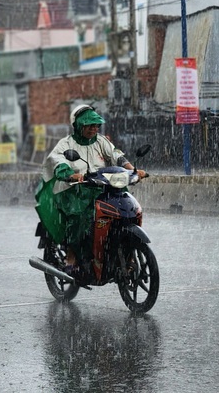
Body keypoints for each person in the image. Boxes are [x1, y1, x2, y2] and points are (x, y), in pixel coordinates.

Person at [35, 104, 147, 275]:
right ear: (78, 126)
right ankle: (72, 256)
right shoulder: (66, 144)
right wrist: (71, 174)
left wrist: (133, 170)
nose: (93, 129)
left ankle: (122, 249)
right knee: (81, 217)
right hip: (75, 191)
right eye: (89, 125)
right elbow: (57, 162)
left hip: (104, 188)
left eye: (96, 125)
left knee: (127, 209)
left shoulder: (102, 141)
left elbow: (117, 156)